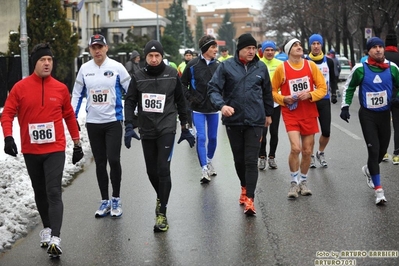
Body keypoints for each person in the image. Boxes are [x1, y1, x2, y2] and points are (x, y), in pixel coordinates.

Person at [1, 43, 83, 258]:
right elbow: (7, 114)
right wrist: (8, 136)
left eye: (50, 60)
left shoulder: (60, 88)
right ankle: (47, 228)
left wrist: (77, 144)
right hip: (31, 150)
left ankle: (56, 237)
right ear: (35, 63)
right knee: (40, 192)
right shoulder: (20, 88)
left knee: (53, 191)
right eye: (42, 60)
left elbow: (69, 117)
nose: (47, 63)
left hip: (55, 149)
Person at [124, 40, 195, 232]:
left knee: (163, 168)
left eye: (157, 56)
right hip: (147, 128)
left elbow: (181, 101)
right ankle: (160, 196)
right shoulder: (138, 76)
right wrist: (129, 125)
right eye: (150, 56)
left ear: (162, 56)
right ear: (145, 57)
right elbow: (130, 101)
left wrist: (185, 126)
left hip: (167, 127)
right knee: (151, 171)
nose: (154, 59)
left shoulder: (172, 74)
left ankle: (162, 213)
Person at [208, 33, 274, 215]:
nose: (251, 51)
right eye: (248, 48)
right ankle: (244, 187)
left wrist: (269, 113)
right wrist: (222, 106)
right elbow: (213, 89)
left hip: (255, 121)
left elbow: (267, 92)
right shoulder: (226, 66)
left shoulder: (260, 68)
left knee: (251, 160)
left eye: (254, 48)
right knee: (239, 160)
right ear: (240, 49)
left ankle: (250, 199)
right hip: (234, 120)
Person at [71, 34, 131, 218]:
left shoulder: (117, 67)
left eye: (100, 47)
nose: (97, 50)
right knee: (100, 162)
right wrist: (72, 117)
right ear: (90, 50)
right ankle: (104, 200)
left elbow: (131, 91)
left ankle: (116, 199)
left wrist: (133, 115)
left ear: (106, 48)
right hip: (93, 123)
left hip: (113, 122)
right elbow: (76, 94)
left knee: (113, 159)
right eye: (93, 47)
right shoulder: (84, 69)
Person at [340, 37, 399, 205]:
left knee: (381, 151)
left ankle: (368, 169)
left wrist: (397, 98)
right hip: (367, 115)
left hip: (384, 115)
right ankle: (379, 191)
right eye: (374, 47)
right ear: (368, 51)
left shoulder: (392, 68)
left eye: (380, 46)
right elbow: (349, 87)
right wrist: (345, 106)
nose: (378, 50)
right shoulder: (361, 69)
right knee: (373, 151)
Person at [271, 38, 327, 199]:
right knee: (296, 148)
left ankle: (303, 181)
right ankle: (294, 182)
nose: (299, 47)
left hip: (309, 112)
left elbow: (323, 88)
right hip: (291, 112)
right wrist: (284, 99)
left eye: (299, 45)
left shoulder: (310, 66)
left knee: (307, 151)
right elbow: (272, 91)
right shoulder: (282, 68)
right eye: (295, 45)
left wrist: (310, 94)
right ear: (288, 51)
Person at [181, 35, 220, 183]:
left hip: (213, 108)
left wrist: (221, 100)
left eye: (216, 47)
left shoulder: (218, 65)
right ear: (205, 49)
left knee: (213, 138)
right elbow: (182, 84)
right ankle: (204, 169)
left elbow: (224, 85)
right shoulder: (192, 65)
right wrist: (191, 98)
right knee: (201, 137)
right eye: (213, 47)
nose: (216, 50)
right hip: (197, 109)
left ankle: (209, 160)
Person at [306, 34, 339, 168]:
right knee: (311, 131)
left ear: (321, 45)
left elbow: (333, 78)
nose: (316, 46)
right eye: (313, 44)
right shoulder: (305, 61)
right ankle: (311, 155)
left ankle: (320, 152)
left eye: (318, 43)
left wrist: (334, 93)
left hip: (324, 99)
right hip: (310, 100)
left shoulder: (329, 61)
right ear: (310, 45)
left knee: (326, 131)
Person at [258, 40, 283, 170]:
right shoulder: (257, 64)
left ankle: (272, 157)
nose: (269, 52)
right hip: (261, 103)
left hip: (275, 103)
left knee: (274, 132)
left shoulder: (280, 64)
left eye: (272, 50)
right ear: (262, 51)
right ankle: (262, 156)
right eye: (267, 50)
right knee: (262, 131)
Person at [384, 30, 399, 164]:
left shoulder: (381, 57)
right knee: (397, 125)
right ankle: (396, 153)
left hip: (382, 95)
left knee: (384, 124)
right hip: (397, 96)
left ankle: (383, 152)